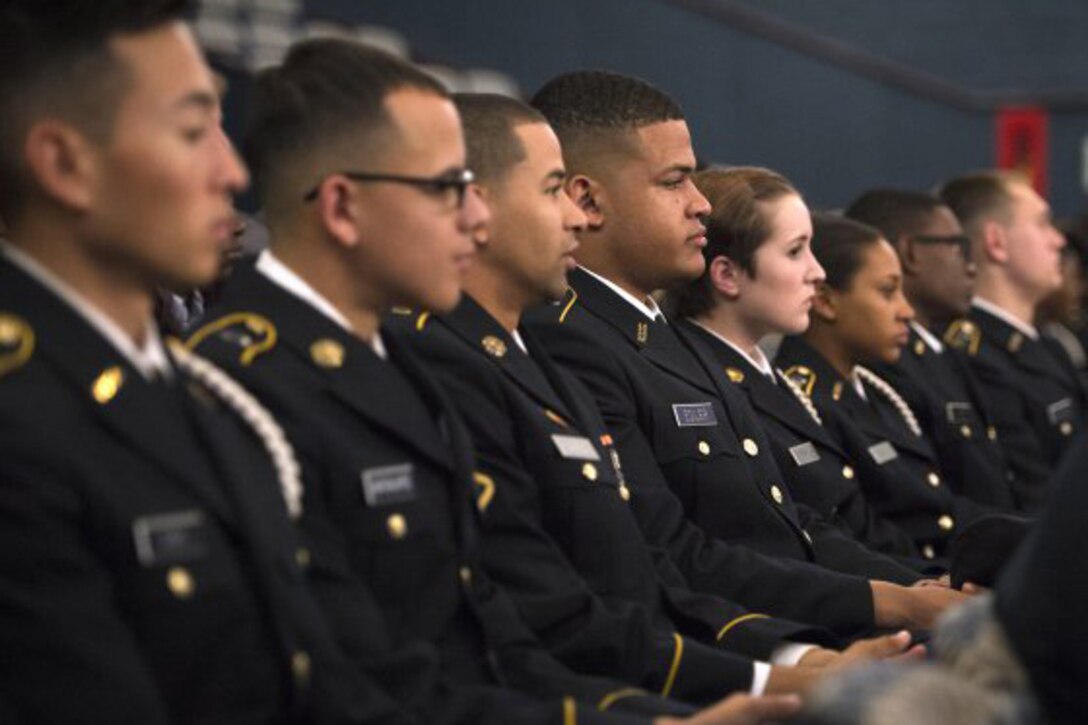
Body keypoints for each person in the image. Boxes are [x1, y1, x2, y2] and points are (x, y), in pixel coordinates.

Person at [187, 38, 794, 725]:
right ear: (343, 206)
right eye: (449, 187)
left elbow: (497, 639)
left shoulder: (407, 366)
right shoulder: (240, 385)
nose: (475, 218)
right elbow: (348, 683)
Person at [397, 93, 920, 706]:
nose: (701, 204)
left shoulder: (580, 354)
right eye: (676, 182)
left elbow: (651, 573)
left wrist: (793, 663)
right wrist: (780, 676)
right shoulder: (520, 351)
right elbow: (546, 618)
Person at [0, 1, 405, 721]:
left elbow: (326, 682)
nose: (231, 169)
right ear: (65, 162)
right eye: (193, 130)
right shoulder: (23, 424)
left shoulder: (204, 395)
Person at [524, 70, 967, 637]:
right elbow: (676, 556)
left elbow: (793, 523)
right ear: (587, 200)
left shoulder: (671, 339)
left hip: (807, 624)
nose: (701, 204)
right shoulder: (573, 341)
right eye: (675, 182)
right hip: (743, 648)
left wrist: (913, 590)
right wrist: (880, 614)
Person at [667, 168, 930, 570]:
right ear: (727, 275)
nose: (817, 272)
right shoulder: (701, 385)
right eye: (795, 251)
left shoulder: (769, 379)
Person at [774, 215, 991, 562]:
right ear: (826, 301)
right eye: (888, 292)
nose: (906, 311)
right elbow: (862, 540)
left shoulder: (877, 390)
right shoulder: (804, 402)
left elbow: (938, 507)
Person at [844, 189, 1020, 511]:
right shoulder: (888, 364)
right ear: (911, 253)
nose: (972, 268)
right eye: (958, 247)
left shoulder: (945, 353)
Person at [938, 171, 1086, 507]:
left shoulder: (1046, 345)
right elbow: (1033, 495)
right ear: (996, 242)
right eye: (1042, 223)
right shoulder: (976, 356)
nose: (1059, 241)